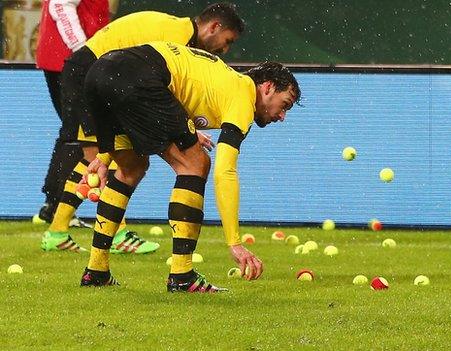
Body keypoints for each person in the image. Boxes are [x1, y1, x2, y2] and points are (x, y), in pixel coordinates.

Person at [80, 41, 300, 292]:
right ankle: (182, 276)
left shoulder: (218, 80)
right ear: (268, 87)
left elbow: (173, 97)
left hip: (100, 72)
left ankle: (96, 271)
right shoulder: (244, 93)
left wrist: (105, 158)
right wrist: (234, 243)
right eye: (285, 105)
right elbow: (224, 172)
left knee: (131, 167)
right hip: (138, 75)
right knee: (196, 164)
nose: (282, 117)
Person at [41, 3, 245, 254]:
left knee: (97, 157)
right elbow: (158, 89)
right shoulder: (177, 36)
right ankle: (113, 234)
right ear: (214, 27)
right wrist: (184, 128)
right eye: (227, 41)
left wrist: (184, 126)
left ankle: (58, 231)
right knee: (114, 155)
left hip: (94, 72)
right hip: (91, 72)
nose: (224, 50)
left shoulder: (178, 29)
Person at [35, 0, 110, 226]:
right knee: (78, 131)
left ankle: (53, 203)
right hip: (70, 60)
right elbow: (60, 5)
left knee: (73, 130)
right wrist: (82, 49)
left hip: (63, 58)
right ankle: (56, 205)